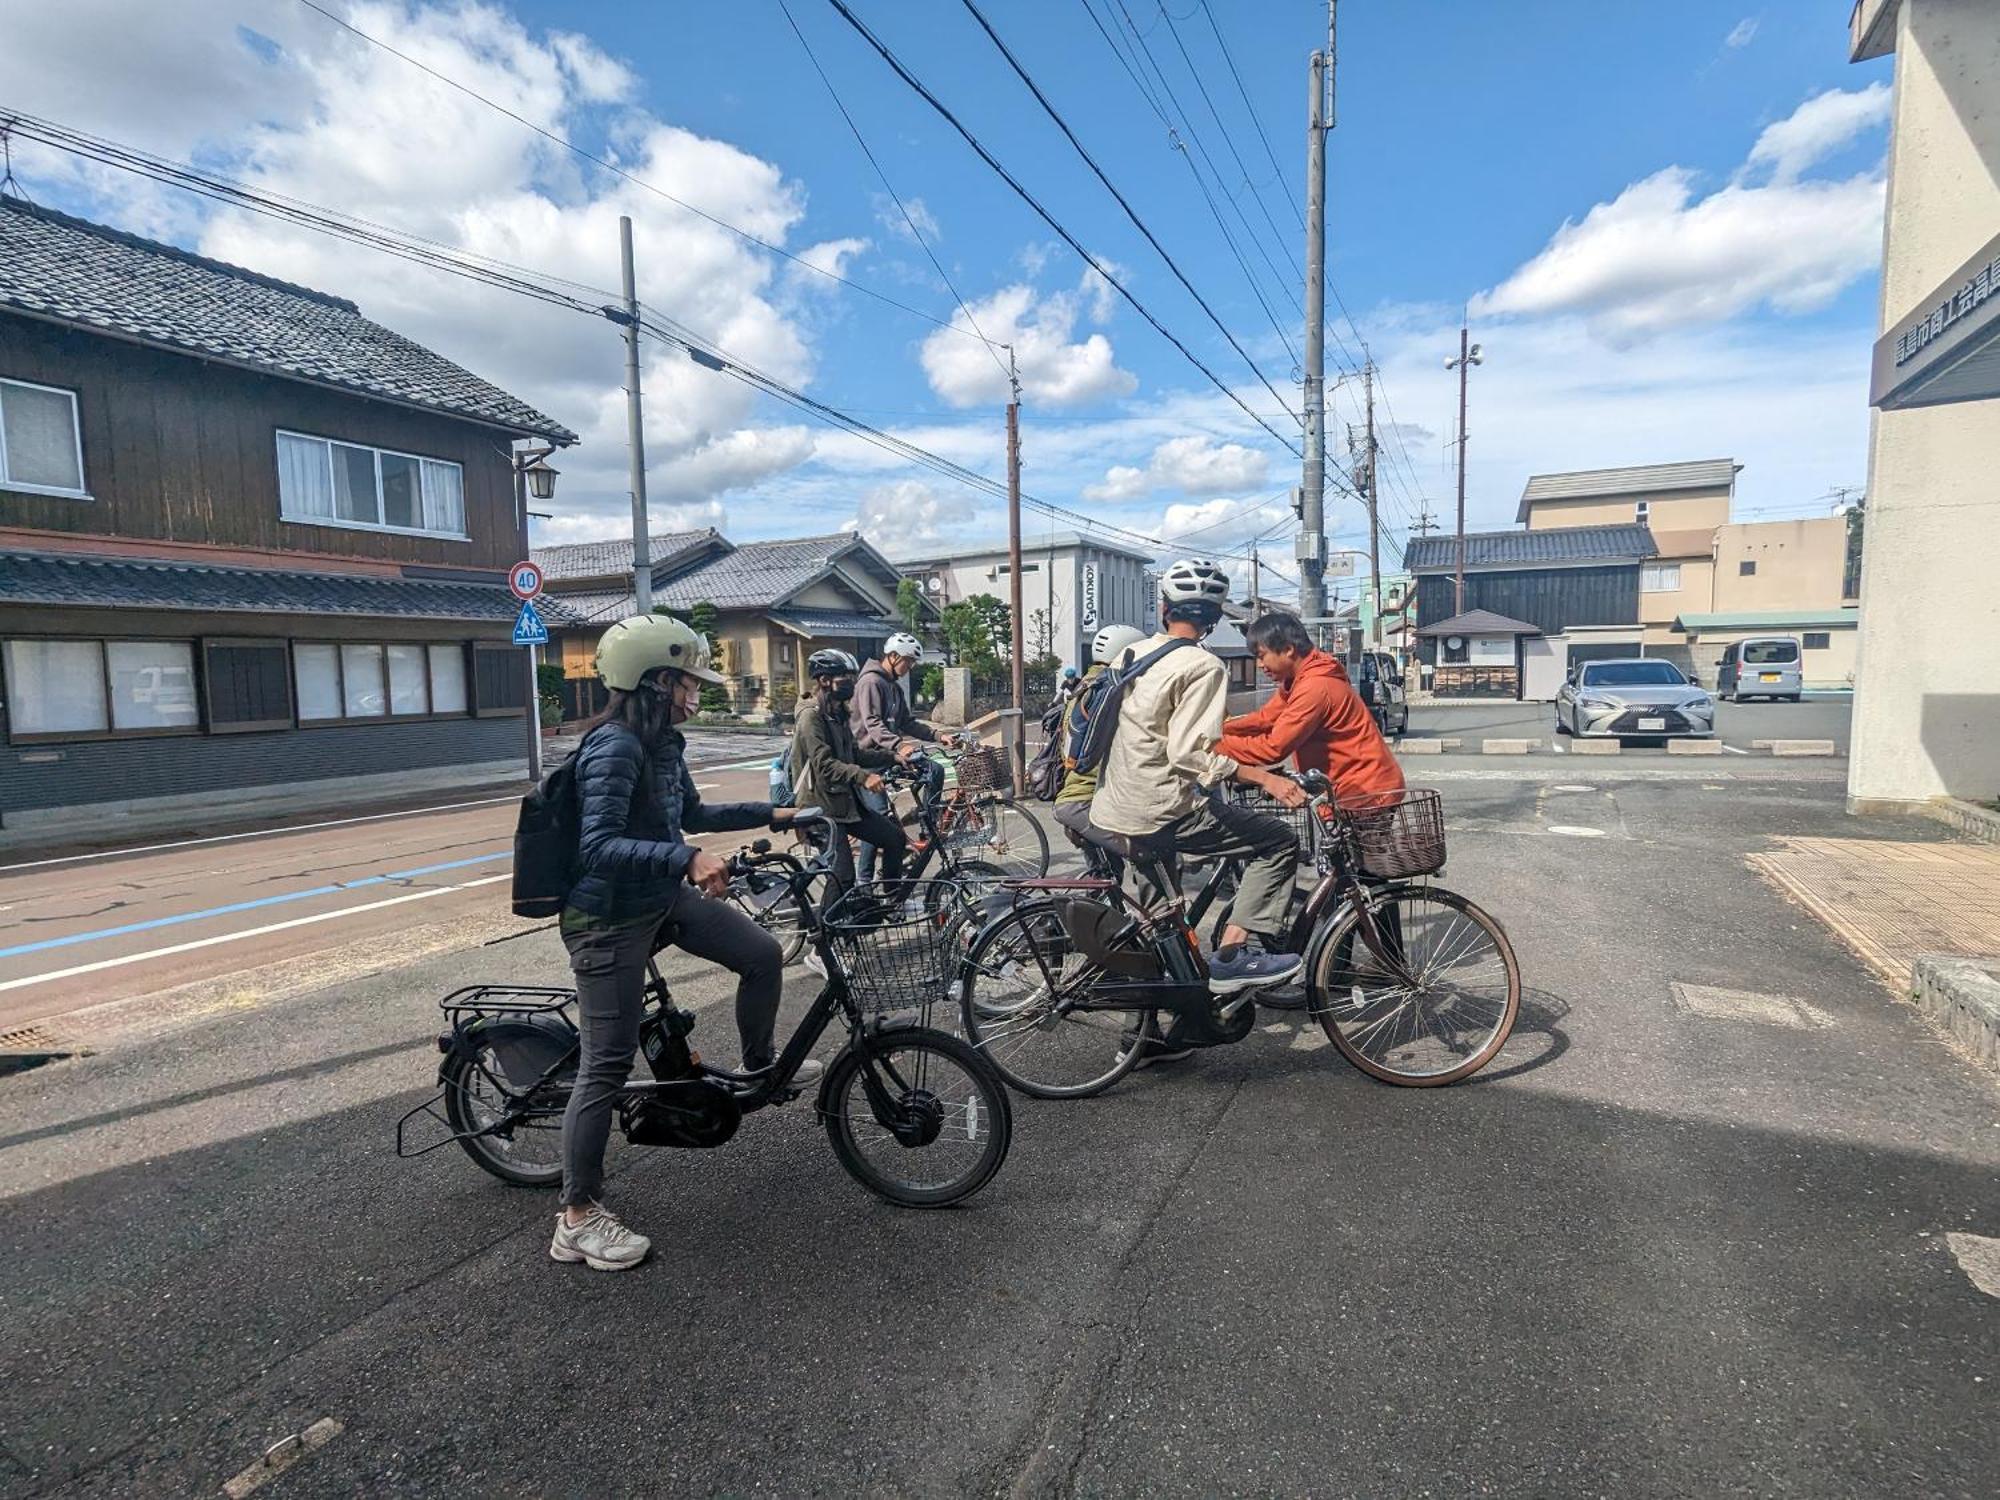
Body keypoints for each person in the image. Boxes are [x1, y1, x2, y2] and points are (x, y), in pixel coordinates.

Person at [553, 615, 805, 1273]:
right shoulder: (614, 747)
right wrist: (685, 859)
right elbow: (597, 846)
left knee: (760, 954)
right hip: (606, 920)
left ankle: (759, 1069)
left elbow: (689, 815)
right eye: (691, 681)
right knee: (606, 1064)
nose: (699, 693)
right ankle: (577, 1219)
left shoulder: (662, 742)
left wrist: (777, 813)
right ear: (658, 680)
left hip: (657, 900)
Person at [1084, 559, 1309, 996]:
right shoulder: (1203, 667)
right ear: (1215, 618)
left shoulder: (1134, 653)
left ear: (1166, 607)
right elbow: (1189, 752)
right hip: (1160, 809)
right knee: (1278, 840)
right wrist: (1263, 779)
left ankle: (1154, 1034)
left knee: (1162, 926)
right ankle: (1233, 954)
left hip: (1116, 805)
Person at [1217, 612, 1405, 804]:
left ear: (1288, 649)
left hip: (1365, 788)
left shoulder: (1315, 687)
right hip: (1350, 785)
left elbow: (1274, 747)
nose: (1259, 665)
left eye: (1262, 656)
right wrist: (1218, 730)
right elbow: (1266, 719)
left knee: (1344, 832)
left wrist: (1214, 746)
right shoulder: (1299, 679)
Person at [790, 648, 908, 920]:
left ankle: (891, 901)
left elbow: (854, 754)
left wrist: (892, 757)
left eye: (851, 676)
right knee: (842, 873)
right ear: (823, 680)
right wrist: (862, 776)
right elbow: (824, 763)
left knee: (893, 838)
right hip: (819, 808)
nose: (851, 682)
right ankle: (823, 946)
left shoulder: (838, 712)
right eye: (843, 676)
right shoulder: (811, 716)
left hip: (844, 804)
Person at [1051, 623, 1148, 862]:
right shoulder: (1111, 691)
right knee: (1152, 855)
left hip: (1076, 798)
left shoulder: (1087, 687)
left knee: (1105, 875)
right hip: (1088, 800)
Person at [850, 632, 942, 882]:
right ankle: (864, 881)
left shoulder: (893, 687)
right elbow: (872, 724)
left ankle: (928, 825)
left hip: (889, 756)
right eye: (908, 661)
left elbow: (906, 722)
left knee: (935, 770)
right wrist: (899, 744)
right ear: (892, 656)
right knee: (879, 822)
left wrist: (936, 735)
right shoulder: (871, 682)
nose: (910, 667)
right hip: (867, 760)